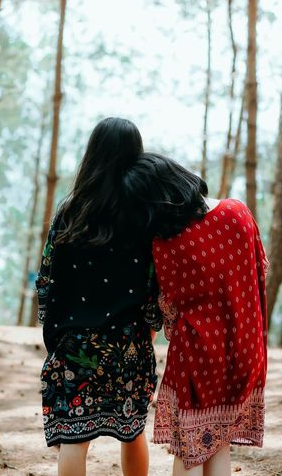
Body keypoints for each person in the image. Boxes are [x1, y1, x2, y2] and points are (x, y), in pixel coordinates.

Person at [123, 153, 269, 476]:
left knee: (189, 451)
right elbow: (260, 274)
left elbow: (169, 314)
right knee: (219, 445)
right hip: (245, 351)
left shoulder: (166, 244)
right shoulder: (238, 212)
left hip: (198, 356)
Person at [35, 118, 162, 476]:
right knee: (132, 431)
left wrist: (54, 335)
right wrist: (150, 330)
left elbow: (46, 278)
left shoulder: (70, 211)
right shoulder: (142, 214)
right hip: (129, 346)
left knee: (75, 438)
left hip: (75, 346)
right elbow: (153, 282)